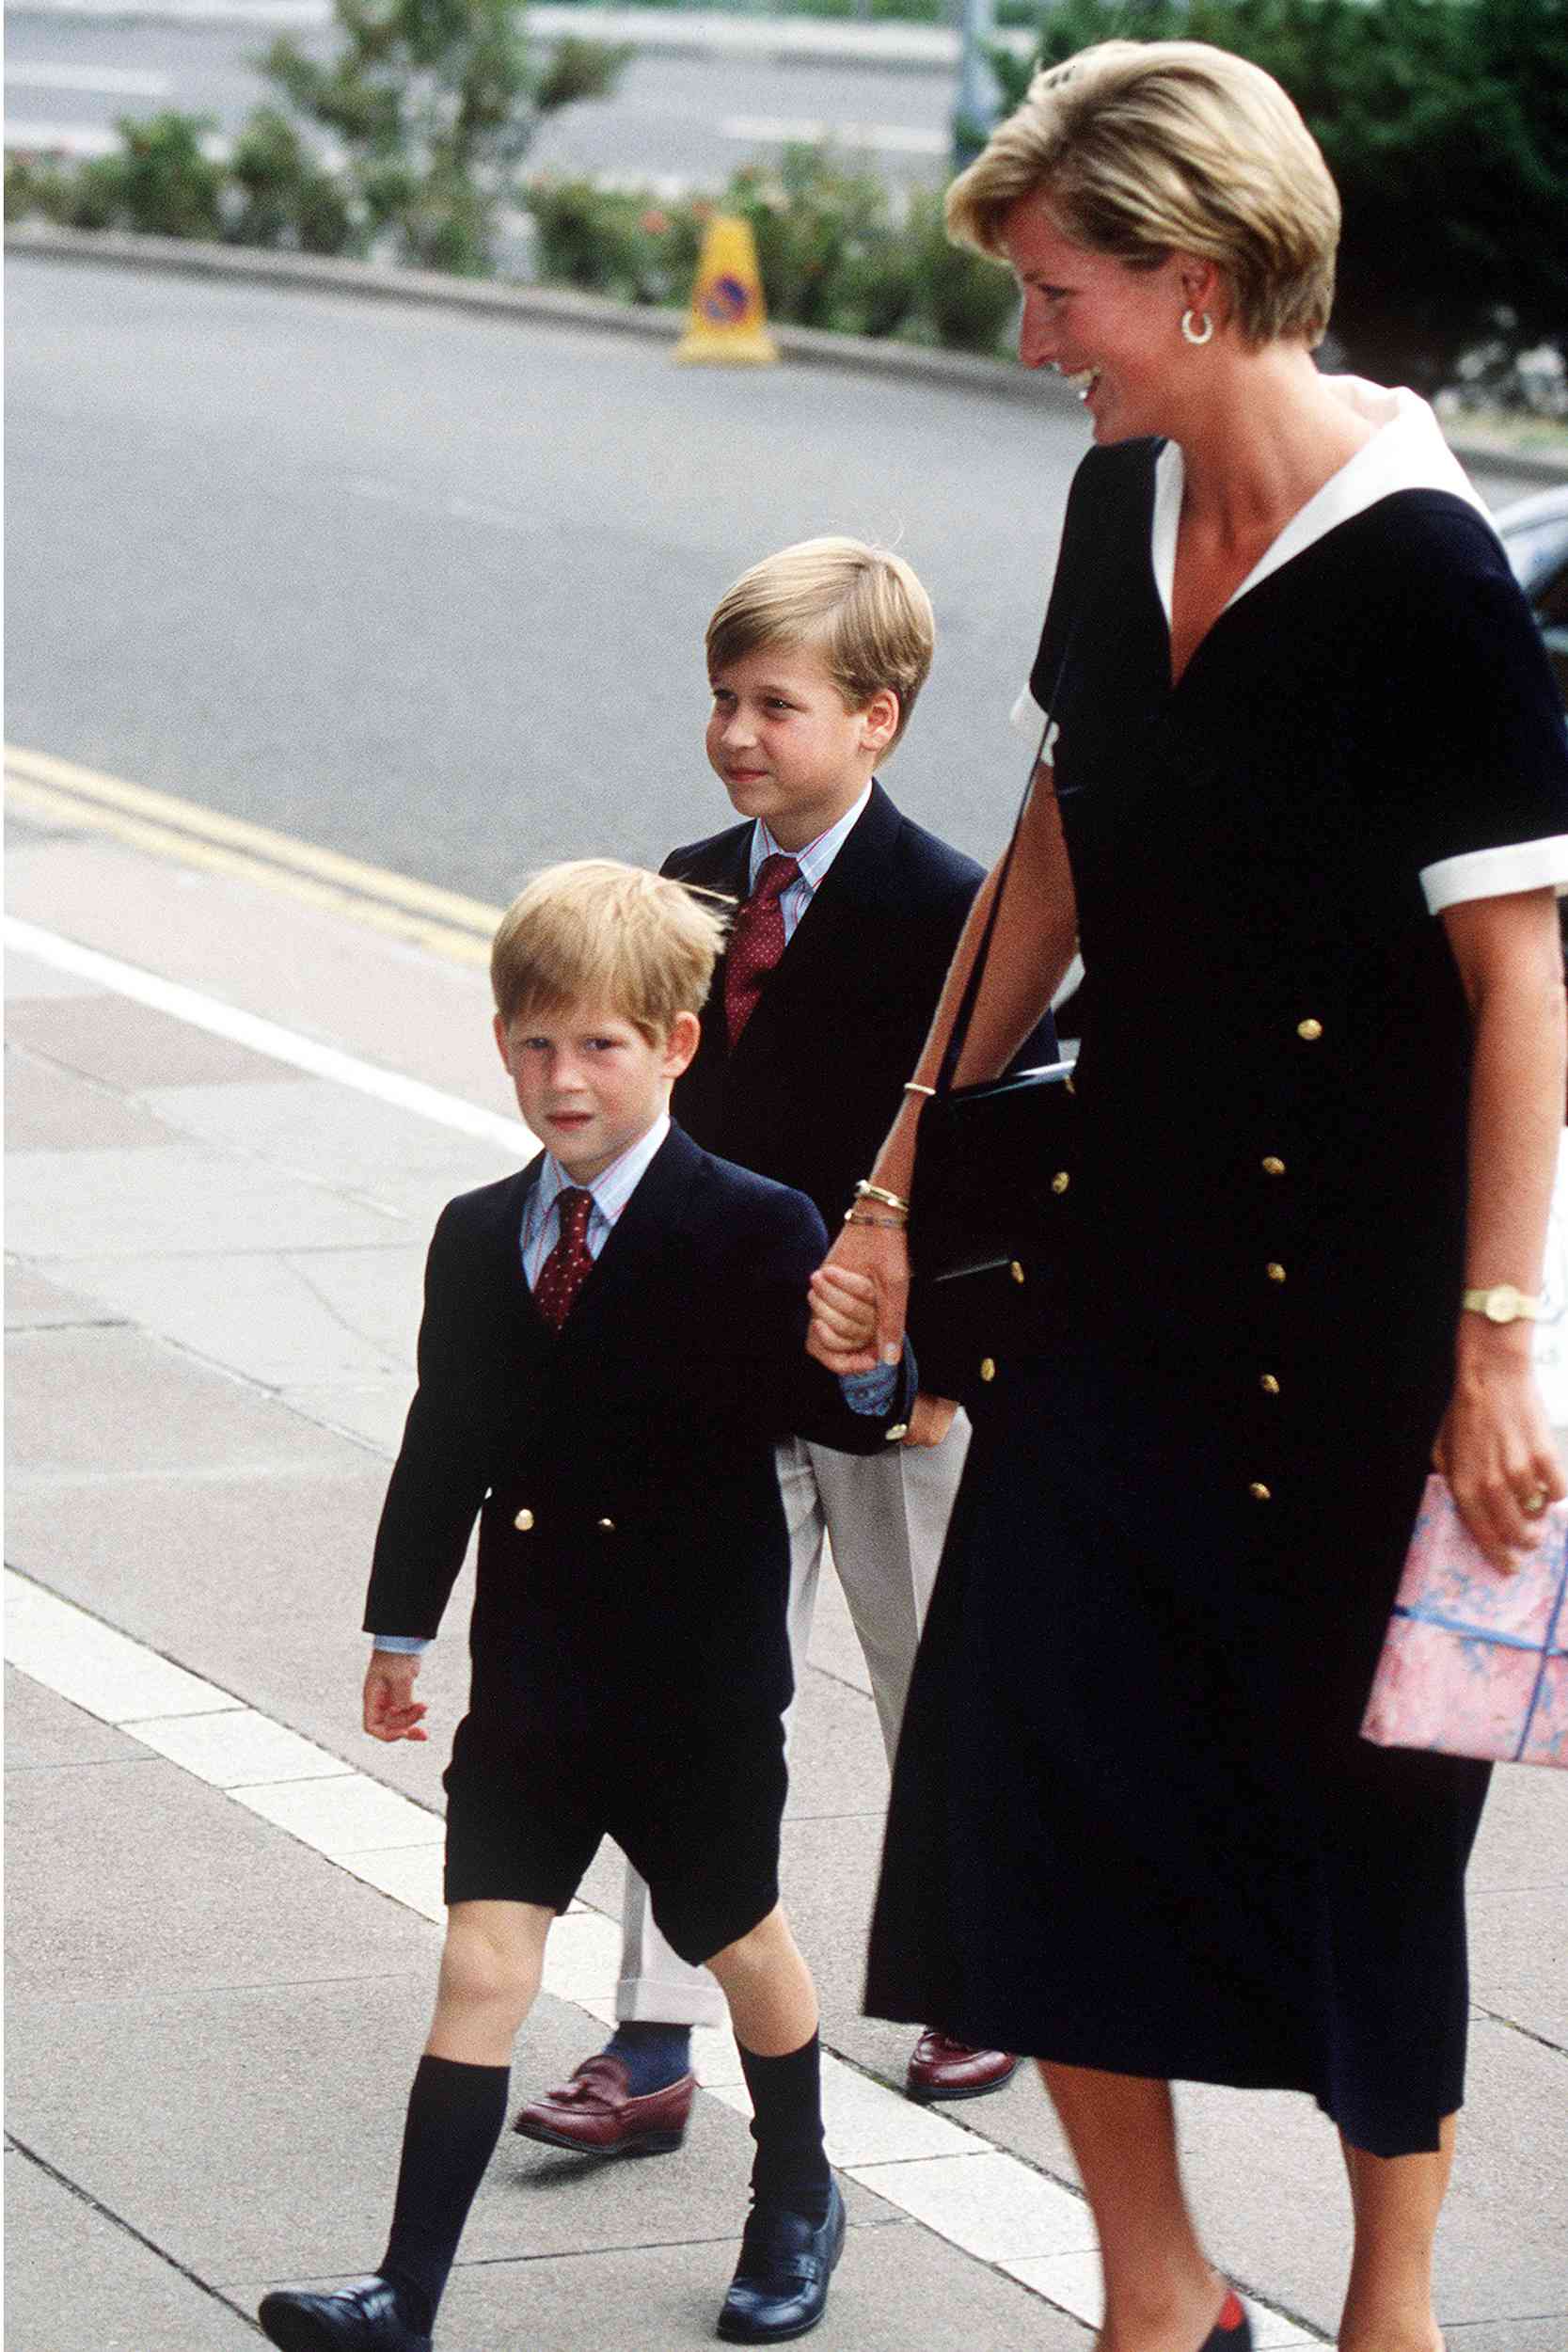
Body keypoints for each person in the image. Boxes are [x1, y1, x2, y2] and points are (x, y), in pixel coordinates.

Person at [806, 41, 1568, 2352]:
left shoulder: (1428, 569)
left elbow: (1524, 973)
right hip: (1127, 1261)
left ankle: (1394, 2308)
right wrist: (897, 1168)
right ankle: (1161, 2293)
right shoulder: (1113, 508)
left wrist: (1496, 1341)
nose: (1034, 339)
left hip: (1367, 1302)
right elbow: (1051, 851)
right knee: (1018, 1759)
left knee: (1365, 1821)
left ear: (1206, 283)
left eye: (1064, 294)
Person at [257, 860, 917, 2352]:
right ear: (502, 1042)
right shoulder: (478, 1228)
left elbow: (846, 1423)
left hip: (694, 1680)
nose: (564, 1079)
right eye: (537, 1043)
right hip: (540, 1673)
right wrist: (398, 1630)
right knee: (484, 1960)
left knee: (740, 1941)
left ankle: (798, 2192)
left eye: (603, 1045)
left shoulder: (753, 1223)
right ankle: (402, 2296)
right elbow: (448, 1440)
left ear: (678, 1044)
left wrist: (873, 1365)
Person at [514, 538, 1053, 2154]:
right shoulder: (685, 881)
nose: (739, 734)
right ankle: (655, 2042)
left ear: (878, 721)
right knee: (691, 1694)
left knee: (927, 1688)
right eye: (723, 701)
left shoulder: (962, 910)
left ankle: (984, 1976)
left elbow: (998, 1163)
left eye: (778, 705)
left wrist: (950, 1367)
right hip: (717, 1378)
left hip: (894, 1390)